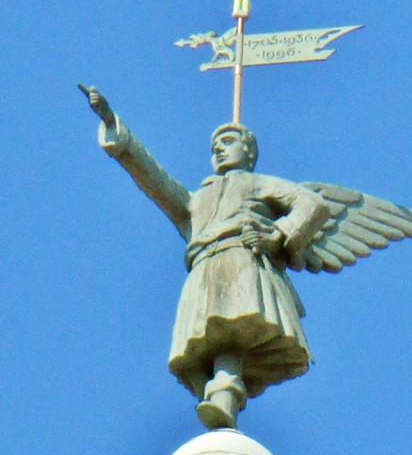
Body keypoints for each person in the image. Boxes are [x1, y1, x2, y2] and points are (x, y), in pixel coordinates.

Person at [80, 84, 328, 428]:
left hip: (240, 260)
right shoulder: (196, 201)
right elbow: (153, 179)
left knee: (229, 332)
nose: (218, 150)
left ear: (249, 151)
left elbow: (312, 204)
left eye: (228, 142)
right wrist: (113, 126)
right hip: (203, 268)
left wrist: (278, 233)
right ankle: (215, 396)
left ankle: (226, 393)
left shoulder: (258, 184)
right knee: (192, 354)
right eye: (214, 147)